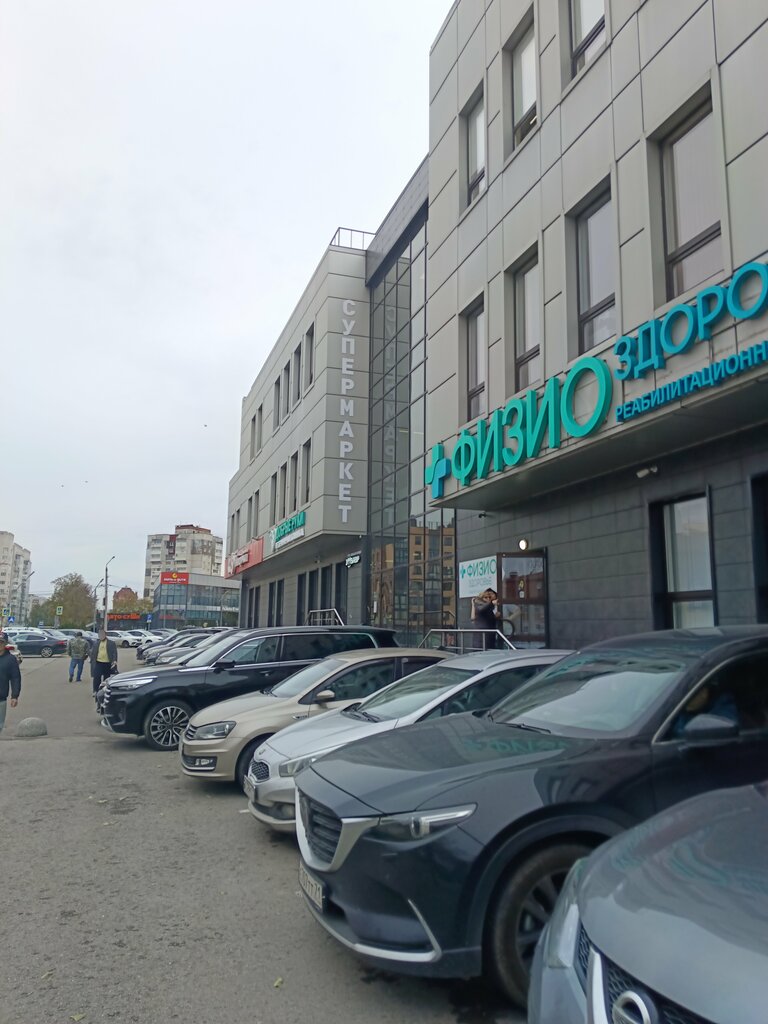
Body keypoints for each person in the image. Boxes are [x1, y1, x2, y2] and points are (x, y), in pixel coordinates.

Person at [0, 633, 21, 735]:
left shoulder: (10, 659)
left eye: (1, 642)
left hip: (1, 699)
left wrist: (14, 696)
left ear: (5, 644)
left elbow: (15, 678)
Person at [90, 628, 117, 695]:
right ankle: (96, 691)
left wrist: (114, 660)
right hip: (98, 662)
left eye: (102, 634)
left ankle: (104, 691)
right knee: (96, 677)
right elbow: (93, 652)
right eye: (99, 634)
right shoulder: (96, 643)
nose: (101, 636)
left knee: (106, 678)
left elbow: (114, 652)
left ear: (105, 635)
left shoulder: (111, 643)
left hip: (107, 663)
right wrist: (91, 659)